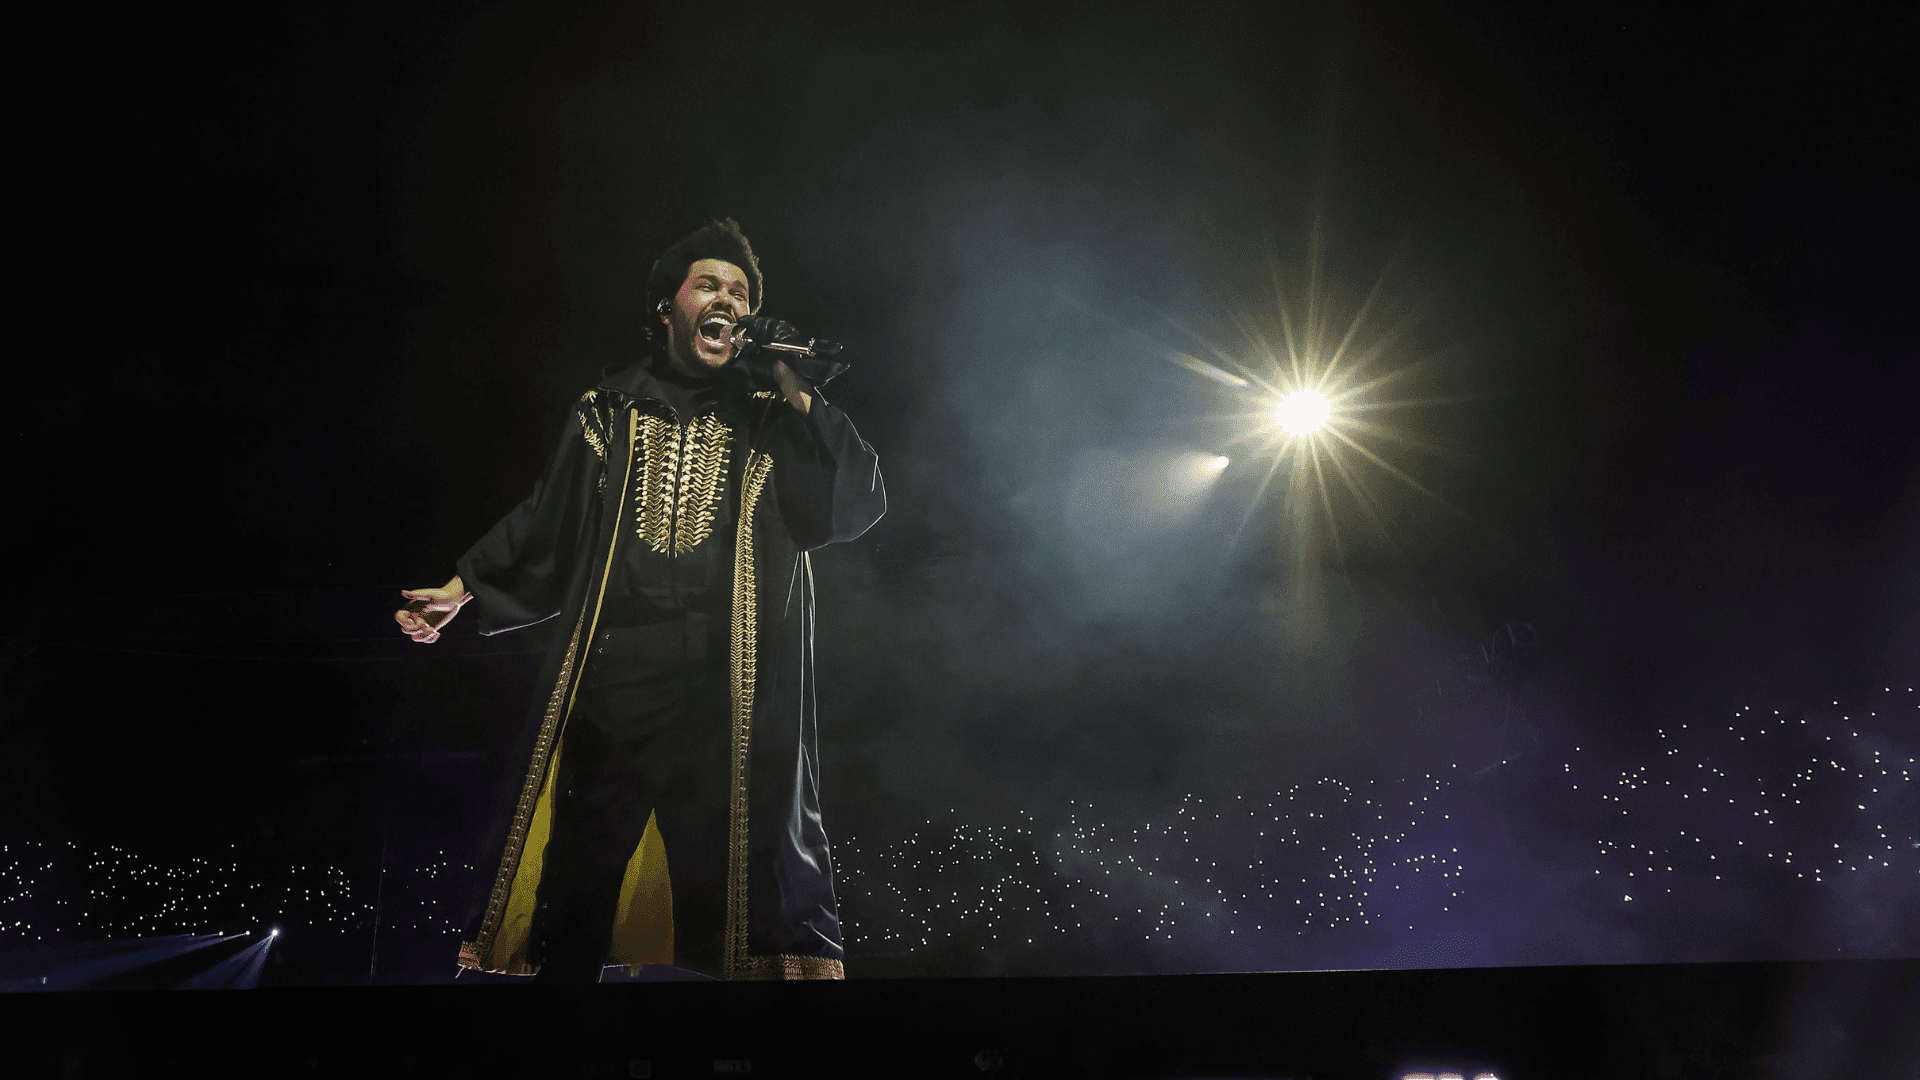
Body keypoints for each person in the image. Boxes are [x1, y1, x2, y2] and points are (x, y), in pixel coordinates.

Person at [394, 218, 885, 982]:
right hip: (615, 690)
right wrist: (462, 588)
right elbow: (546, 517)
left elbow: (852, 504)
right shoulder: (609, 411)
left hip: (729, 696)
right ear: (669, 308)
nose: (728, 297)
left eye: (741, 291)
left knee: (729, 890)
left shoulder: (768, 417)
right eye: (709, 284)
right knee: (576, 885)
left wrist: (794, 386)